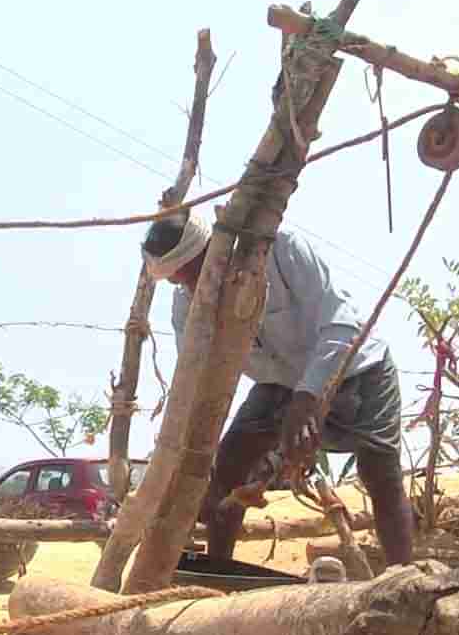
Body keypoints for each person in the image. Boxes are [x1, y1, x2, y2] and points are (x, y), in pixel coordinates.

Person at [141, 212, 415, 567]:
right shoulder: (190, 305)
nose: (189, 285)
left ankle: (405, 578)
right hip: (281, 384)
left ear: (214, 250)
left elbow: (343, 326)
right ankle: (219, 571)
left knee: (381, 474)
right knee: (228, 466)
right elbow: (194, 382)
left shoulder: (283, 251)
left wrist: (307, 398)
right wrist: (187, 458)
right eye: (178, 281)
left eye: (191, 272)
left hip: (360, 370)